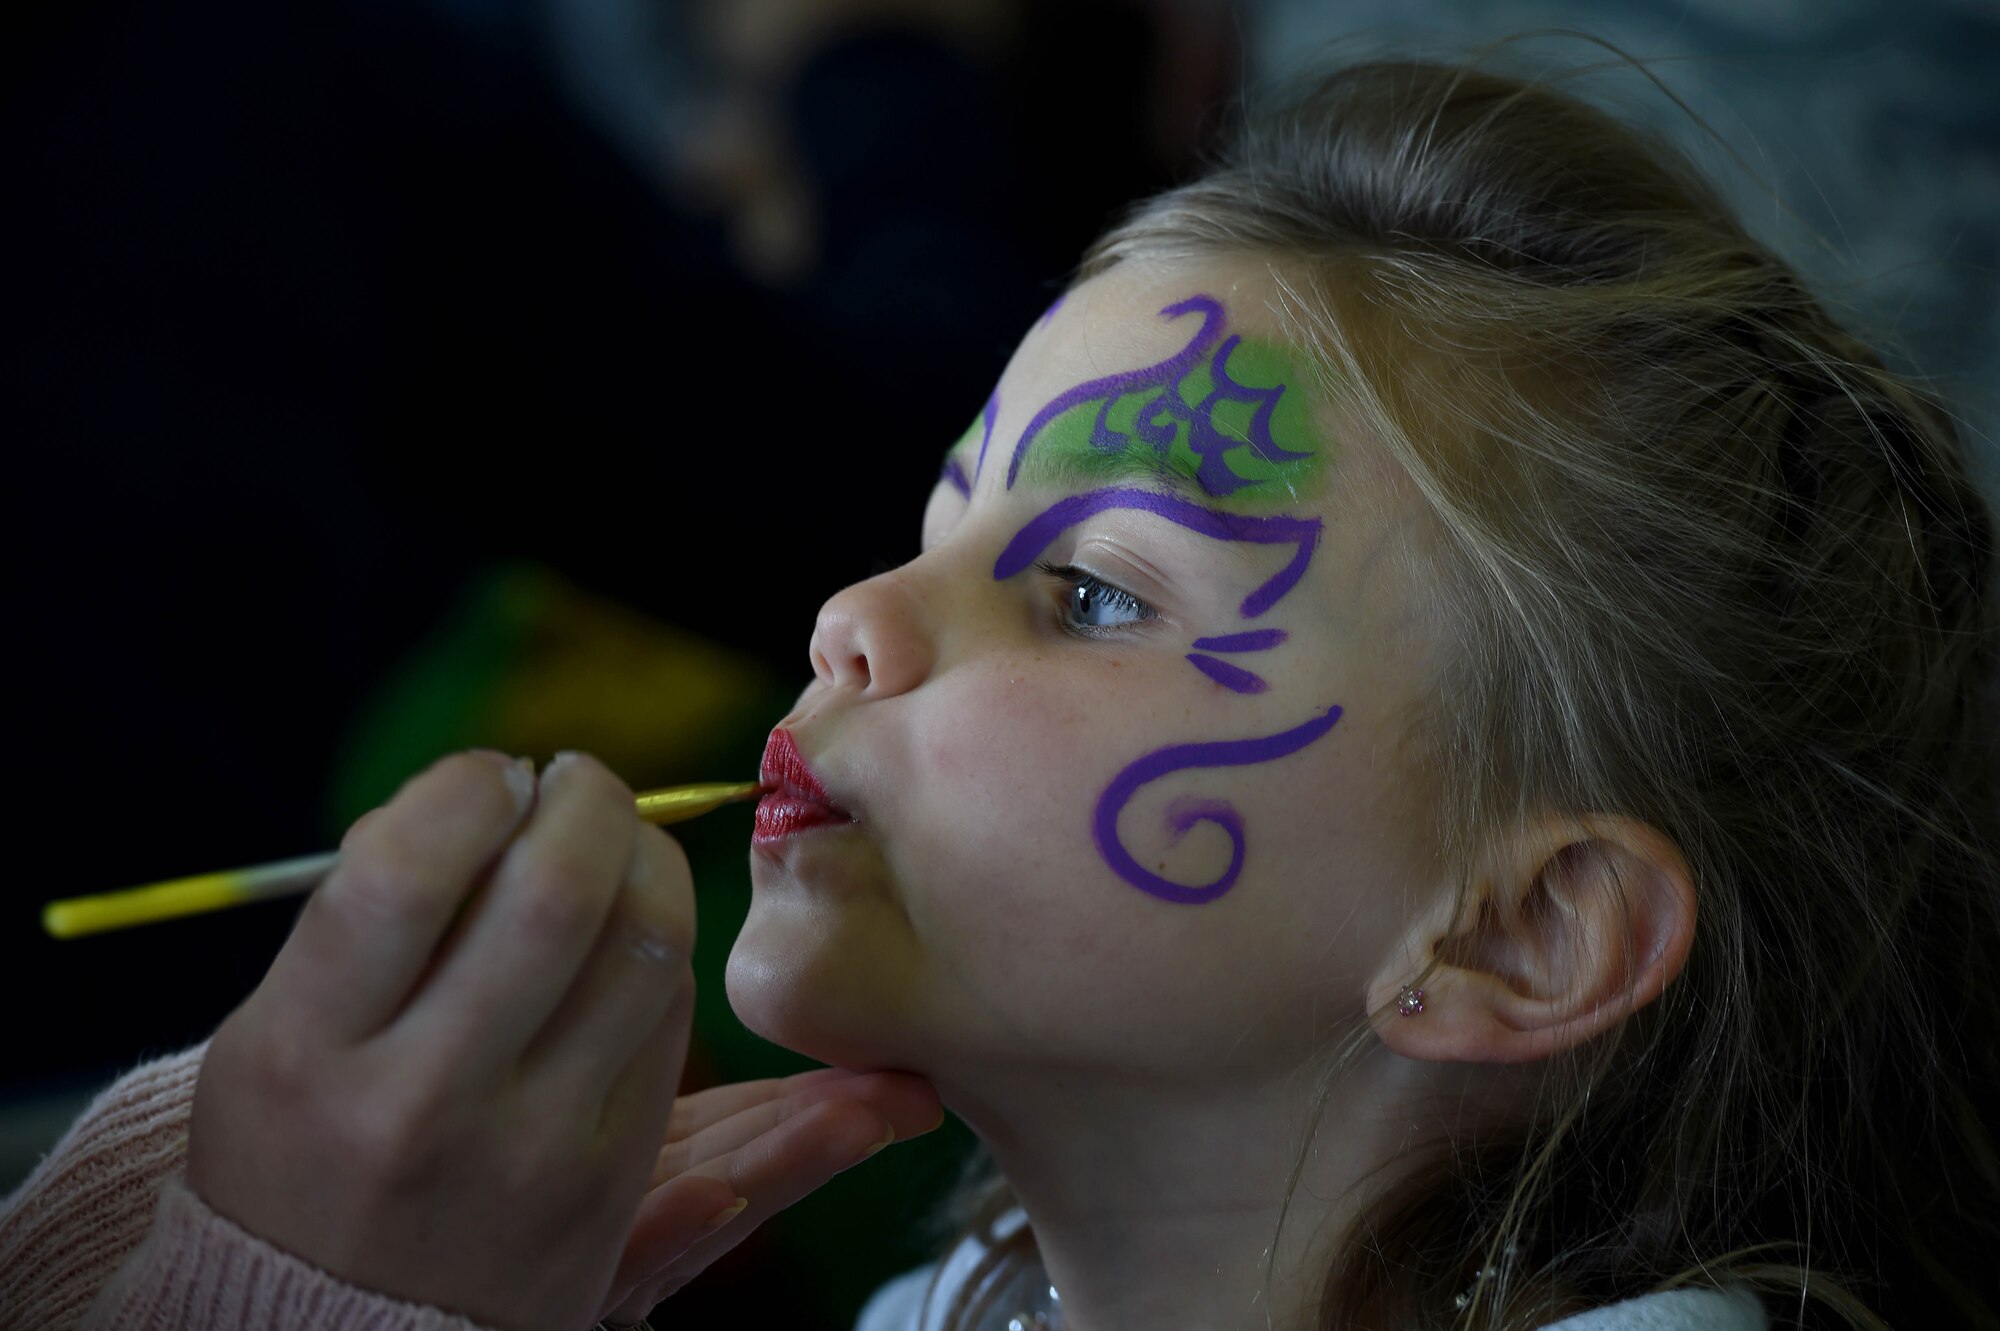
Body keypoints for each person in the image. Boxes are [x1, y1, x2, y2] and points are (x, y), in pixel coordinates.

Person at [5, 42, 1997, 1331]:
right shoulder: (961, 1301)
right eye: (938, 518)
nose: (854, 613)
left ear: (1514, 929)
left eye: (1086, 592)